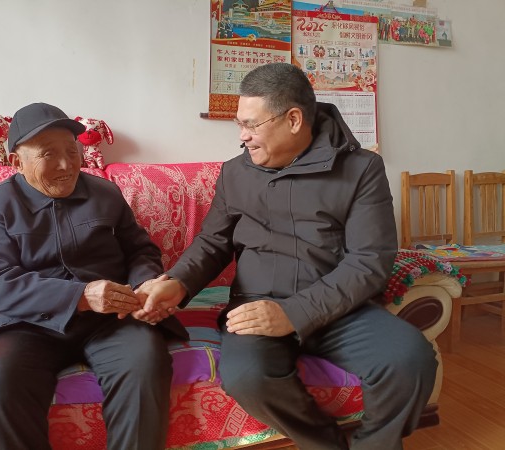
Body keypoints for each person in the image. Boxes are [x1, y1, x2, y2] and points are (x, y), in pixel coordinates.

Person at [135, 63, 437, 450]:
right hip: (256, 305)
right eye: (239, 125)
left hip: (341, 309)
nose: (242, 136)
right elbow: (213, 242)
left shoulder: (361, 169)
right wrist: (178, 283)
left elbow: (369, 262)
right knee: (247, 377)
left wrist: (293, 314)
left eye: (251, 125)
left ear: (293, 119)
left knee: (411, 360)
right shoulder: (235, 173)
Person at [0, 102, 187, 450]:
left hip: (112, 319)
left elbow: (140, 251)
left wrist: (143, 285)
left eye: (72, 152)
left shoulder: (106, 193)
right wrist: (81, 297)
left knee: (144, 363)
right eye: (48, 154)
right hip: (27, 323)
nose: (66, 164)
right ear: (16, 162)